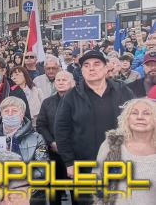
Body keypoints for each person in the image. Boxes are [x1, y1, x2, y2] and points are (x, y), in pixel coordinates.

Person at [55, 50, 135, 180]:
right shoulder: (71, 96)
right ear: (82, 71)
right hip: (85, 164)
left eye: (97, 64)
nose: (91, 68)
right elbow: (61, 130)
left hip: (120, 160)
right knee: (87, 200)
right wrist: (69, 162)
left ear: (106, 68)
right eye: (86, 65)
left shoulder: (122, 91)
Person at [94, 98, 156, 205]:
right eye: (134, 113)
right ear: (127, 118)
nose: (140, 117)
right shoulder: (111, 144)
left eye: (147, 113)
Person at [0, 96, 49, 173]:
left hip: (25, 183)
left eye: (14, 111)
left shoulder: (37, 138)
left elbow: (42, 168)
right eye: (6, 111)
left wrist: (21, 178)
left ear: (22, 115)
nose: (10, 114)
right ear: (1, 114)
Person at [36, 71, 75, 192]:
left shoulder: (80, 101)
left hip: (75, 153)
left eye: (64, 80)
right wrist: (52, 142)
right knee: (55, 191)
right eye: (58, 80)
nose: (61, 82)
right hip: (54, 153)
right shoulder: (47, 102)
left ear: (72, 83)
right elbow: (41, 125)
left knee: (78, 193)